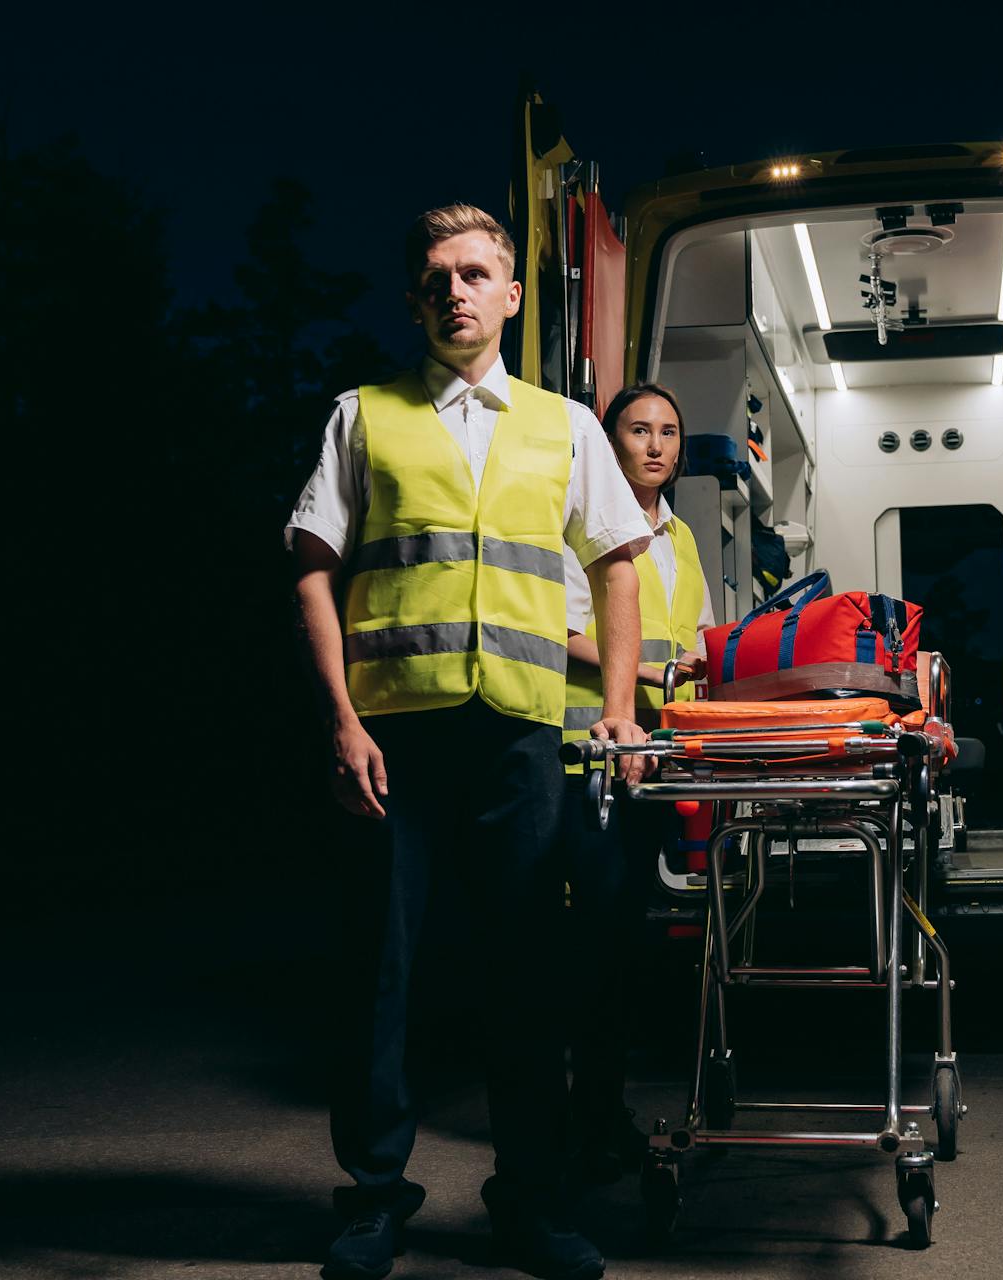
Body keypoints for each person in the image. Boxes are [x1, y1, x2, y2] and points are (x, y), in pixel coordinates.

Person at [286, 202, 650, 1280]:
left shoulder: (566, 424)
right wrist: (340, 719)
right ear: (414, 297)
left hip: (520, 737)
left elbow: (617, 560)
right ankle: (373, 1195)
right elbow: (313, 565)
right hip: (391, 737)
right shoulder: (364, 415)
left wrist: (619, 706)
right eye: (437, 274)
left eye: (476, 271)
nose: (456, 290)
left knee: (528, 974)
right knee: (378, 973)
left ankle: (531, 1199)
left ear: (511, 293)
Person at [557, 384, 715, 1184]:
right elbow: (563, 628)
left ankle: (600, 1109)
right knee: (589, 945)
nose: (656, 445)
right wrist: (651, 671)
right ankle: (576, 1119)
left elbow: (698, 636)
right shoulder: (582, 519)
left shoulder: (683, 537)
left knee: (622, 943)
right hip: (587, 757)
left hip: (657, 759)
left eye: (669, 433)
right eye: (638, 430)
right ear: (608, 441)